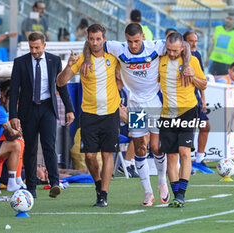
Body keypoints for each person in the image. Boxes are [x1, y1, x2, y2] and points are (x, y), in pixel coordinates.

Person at [81, 23, 193, 206]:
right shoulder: (119, 48)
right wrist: (86, 60)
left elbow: (185, 45)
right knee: (140, 147)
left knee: (157, 147)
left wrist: (186, 64)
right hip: (135, 105)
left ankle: (162, 182)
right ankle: (148, 192)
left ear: (143, 37)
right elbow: (90, 45)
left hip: (154, 102)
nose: (133, 45)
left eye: (136, 41)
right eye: (130, 41)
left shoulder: (155, 47)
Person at [57, 24, 121, 207]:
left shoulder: (113, 57)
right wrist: (68, 66)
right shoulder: (80, 60)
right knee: (91, 156)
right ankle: (98, 183)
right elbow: (60, 82)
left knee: (108, 154)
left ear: (104, 39)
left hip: (111, 113)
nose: (95, 42)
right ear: (88, 40)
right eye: (91, 39)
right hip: (89, 114)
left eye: (98, 39)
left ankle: (103, 194)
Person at [9, 32, 75, 199]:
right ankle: (31, 187)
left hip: (47, 108)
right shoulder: (20, 62)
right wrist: (13, 115)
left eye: (37, 47)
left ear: (44, 46)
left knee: (49, 145)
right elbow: (14, 91)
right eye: (31, 47)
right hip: (28, 109)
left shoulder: (54, 61)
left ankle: (54, 183)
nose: (34, 50)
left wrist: (69, 108)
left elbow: (61, 86)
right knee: (30, 149)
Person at [159, 32, 207, 207]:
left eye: (175, 50)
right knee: (171, 155)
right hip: (166, 113)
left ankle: (182, 194)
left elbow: (204, 84)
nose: (172, 54)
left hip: (188, 110)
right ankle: (176, 194)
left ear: (182, 47)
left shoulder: (192, 61)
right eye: (169, 50)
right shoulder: (160, 60)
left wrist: (192, 76)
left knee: (185, 152)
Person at [0, 81, 24, 192]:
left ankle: (14, 180)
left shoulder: (5, 112)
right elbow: (11, 134)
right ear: (3, 96)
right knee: (16, 144)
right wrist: (19, 131)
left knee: (16, 145)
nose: (14, 106)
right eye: (12, 102)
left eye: (16, 103)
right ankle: (13, 180)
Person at [183, 30, 212, 173]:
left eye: (195, 41)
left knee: (205, 126)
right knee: (189, 130)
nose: (193, 43)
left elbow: (201, 78)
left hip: (196, 98)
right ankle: (187, 163)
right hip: (184, 100)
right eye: (190, 40)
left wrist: (203, 98)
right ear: (184, 42)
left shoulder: (197, 55)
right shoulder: (180, 56)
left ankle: (199, 159)